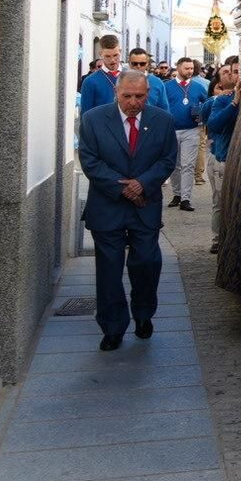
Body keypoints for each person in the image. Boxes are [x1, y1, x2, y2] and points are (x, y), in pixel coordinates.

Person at [78, 71, 179, 351]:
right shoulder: (93, 120)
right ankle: (112, 327)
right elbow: (90, 160)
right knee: (109, 270)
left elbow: (167, 159)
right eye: (128, 96)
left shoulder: (162, 120)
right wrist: (122, 187)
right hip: (107, 206)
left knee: (146, 262)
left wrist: (142, 184)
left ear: (148, 93)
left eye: (140, 96)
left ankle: (144, 314)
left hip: (144, 207)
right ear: (116, 94)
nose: (134, 102)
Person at [203, 57, 240, 255]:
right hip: (223, 159)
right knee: (220, 203)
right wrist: (234, 103)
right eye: (234, 71)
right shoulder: (223, 100)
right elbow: (214, 125)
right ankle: (218, 238)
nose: (238, 75)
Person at [164, 58, 210, 212]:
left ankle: (186, 198)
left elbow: (208, 103)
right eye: (186, 68)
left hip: (192, 130)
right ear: (178, 68)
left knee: (188, 165)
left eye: (191, 68)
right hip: (171, 130)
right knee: (174, 165)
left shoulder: (197, 87)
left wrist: (201, 113)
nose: (190, 71)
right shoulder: (167, 87)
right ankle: (176, 194)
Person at [79, 35, 122, 118]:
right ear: (101, 54)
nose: (112, 60)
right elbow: (85, 116)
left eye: (115, 55)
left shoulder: (131, 76)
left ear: (120, 51)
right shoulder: (90, 81)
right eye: (108, 56)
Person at [125, 47, 169, 115]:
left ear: (147, 64)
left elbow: (164, 109)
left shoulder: (157, 83)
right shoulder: (121, 81)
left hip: (151, 123)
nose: (138, 66)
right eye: (135, 63)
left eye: (142, 64)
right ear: (129, 63)